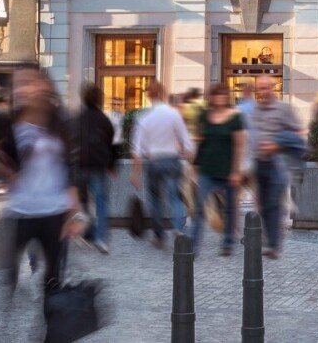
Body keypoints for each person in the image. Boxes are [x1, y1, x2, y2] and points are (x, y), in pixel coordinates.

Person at [0, 66, 81, 327]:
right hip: (20, 212)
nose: (22, 89)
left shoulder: (61, 122)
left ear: (44, 86)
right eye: (18, 84)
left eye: (28, 82)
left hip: (54, 213)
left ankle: (48, 332)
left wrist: (73, 213)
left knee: (52, 281)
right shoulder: (9, 123)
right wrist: (5, 172)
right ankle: (5, 327)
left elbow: (71, 168)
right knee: (7, 276)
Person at [241, 75, 302, 259]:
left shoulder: (284, 109)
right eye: (261, 88)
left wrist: (278, 144)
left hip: (278, 163)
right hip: (259, 163)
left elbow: (298, 133)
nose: (264, 92)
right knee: (263, 205)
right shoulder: (255, 111)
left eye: (267, 87)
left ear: (274, 88)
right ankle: (270, 240)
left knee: (273, 202)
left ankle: (274, 245)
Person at [129, 80, 194, 247]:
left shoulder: (143, 118)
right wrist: (189, 158)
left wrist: (135, 174)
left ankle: (159, 236)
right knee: (175, 197)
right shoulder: (173, 114)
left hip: (153, 161)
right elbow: (186, 142)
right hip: (171, 160)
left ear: (149, 96)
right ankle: (178, 228)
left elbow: (136, 150)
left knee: (154, 200)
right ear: (164, 93)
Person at [188, 83, 244, 256]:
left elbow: (240, 146)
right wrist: (195, 164)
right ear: (212, 97)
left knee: (229, 209)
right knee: (198, 207)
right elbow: (201, 141)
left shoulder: (235, 118)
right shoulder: (205, 116)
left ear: (227, 97)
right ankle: (194, 245)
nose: (219, 98)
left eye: (222, 94)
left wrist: (236, 171)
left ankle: (228, 243)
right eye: (216, 95)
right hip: (207, 169)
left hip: (228, 170)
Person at [71, 84, 118, 255]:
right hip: (98, 167)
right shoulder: (104, 120)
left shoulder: (77, 119)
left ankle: (86, 233)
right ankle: (102, 240)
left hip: (80, 166)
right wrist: (112, 165)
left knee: (83, 204)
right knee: (101, 204)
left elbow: (71, 143)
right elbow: (111, 144)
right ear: (99, 99)